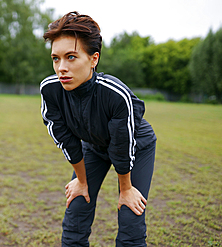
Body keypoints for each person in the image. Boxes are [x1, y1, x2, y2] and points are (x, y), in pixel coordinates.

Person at [39, 12, 157, 246]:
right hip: (93, 146)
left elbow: (122, 145)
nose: (61, 67)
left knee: (130, 217)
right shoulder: (50, 90)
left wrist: (126, 189)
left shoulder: (115, 95)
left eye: (71, 57)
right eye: (55, 58)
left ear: (94, 59)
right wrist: (81, 181)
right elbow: (66, 140)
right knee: (76, 208)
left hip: (136, 145)